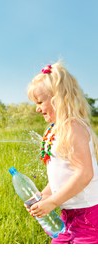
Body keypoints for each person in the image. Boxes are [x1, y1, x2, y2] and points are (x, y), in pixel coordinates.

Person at [27, 62, 98, 244]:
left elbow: (84, 173)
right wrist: (44, 196)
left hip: (89, 215)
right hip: (68, 214)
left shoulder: (73, 127)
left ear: (58, 98)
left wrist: (52, 202)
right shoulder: (53, 130)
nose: (37, 108)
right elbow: (61, 176)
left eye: (40, 102)